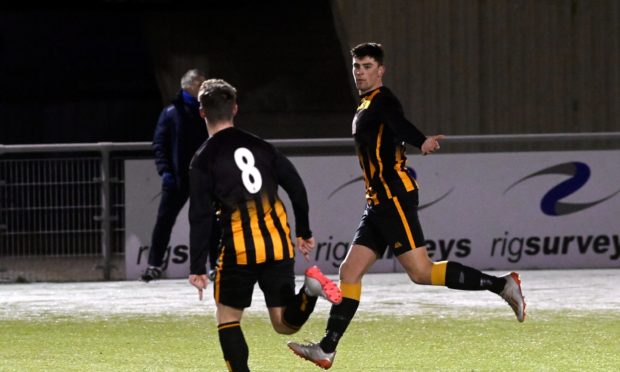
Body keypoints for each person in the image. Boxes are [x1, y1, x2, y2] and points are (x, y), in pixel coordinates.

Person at [287, 42, 526, 370]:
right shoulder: (366, 104)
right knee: (349, 271)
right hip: (378, 202)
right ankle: (327, 348)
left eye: (367, 66)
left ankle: (503, 285)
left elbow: (398, 123)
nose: (360, 71)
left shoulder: (383, 100)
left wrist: (422, 140)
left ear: (380, 70)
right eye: (356, 66)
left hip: (393, 197)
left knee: (421, 272)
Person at [188, 78, 342, 372]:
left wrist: (196, 267)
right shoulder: (261, 146)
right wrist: (304, 231)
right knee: (284, 325)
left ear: (202, 112)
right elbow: (296, 187)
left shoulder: (202, 159)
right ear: (235, 109)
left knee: (228, 318)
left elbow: (200, 216)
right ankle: (310, 291)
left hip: (239, 250)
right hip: (278, 245)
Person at [141, 69, 220, 282]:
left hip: (204, 178)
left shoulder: (209, 112)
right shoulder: (171, 112)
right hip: (177, 179)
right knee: (164, 221)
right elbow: (160, 144)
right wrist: (165, 171)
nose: (204, 88)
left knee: (211, 221)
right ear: (190, 86)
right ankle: (154, 264)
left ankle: (214, 265)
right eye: (201, 84)